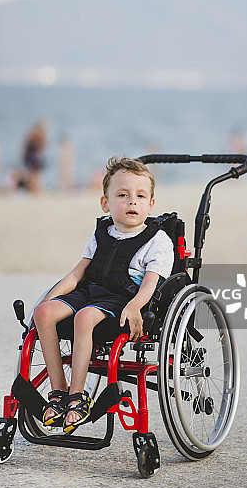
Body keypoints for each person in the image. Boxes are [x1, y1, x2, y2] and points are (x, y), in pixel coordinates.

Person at [33, 156, 174, 433]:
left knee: (85, 318)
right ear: (105, 203)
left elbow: (150, 283)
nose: (132, 201)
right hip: (90, 291)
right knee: (43, 313)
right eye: (122, 195)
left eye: (140, 196)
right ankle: (58, 393)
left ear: (151, 205)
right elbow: (77, 274)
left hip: (122, 299)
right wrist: (47, 299)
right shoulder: (101, 233)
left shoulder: (157, 241)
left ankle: (78, 396)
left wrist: (135, 307)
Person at [23, 121, 47, 193]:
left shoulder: (32, 135)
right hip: (35, 156)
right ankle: (33, 188)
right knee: (35, 173)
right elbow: (40, 146)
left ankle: (33, 188)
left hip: (32, 156)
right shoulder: (36, 135)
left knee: (34, 173)